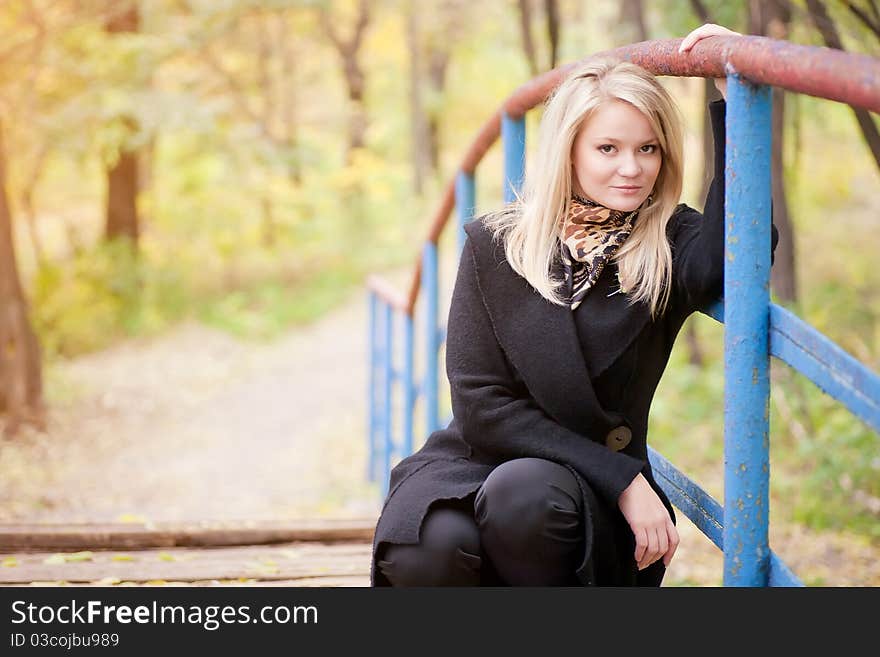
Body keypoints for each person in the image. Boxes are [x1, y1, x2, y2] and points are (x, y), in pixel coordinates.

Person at [370, 23, 779, 587]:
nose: (631, 168)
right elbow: (481, 403)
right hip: (482, 455)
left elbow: (739, 252)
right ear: (569, 150)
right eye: (607, 148)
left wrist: (736, 105)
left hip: (574, 491)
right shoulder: (500, 243)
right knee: (426, 549)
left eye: (647, 148)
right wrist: (626, 479)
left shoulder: (665, 239)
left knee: (526, 500)